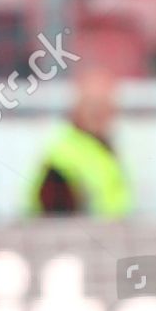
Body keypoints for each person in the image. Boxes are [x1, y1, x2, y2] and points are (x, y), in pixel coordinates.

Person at [29, 68, 133, 217]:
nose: (99, 112)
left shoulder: (105, 150)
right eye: (92, 104)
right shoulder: (62, 157)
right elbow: (56, 224)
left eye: (104, 104)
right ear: (76, 108)